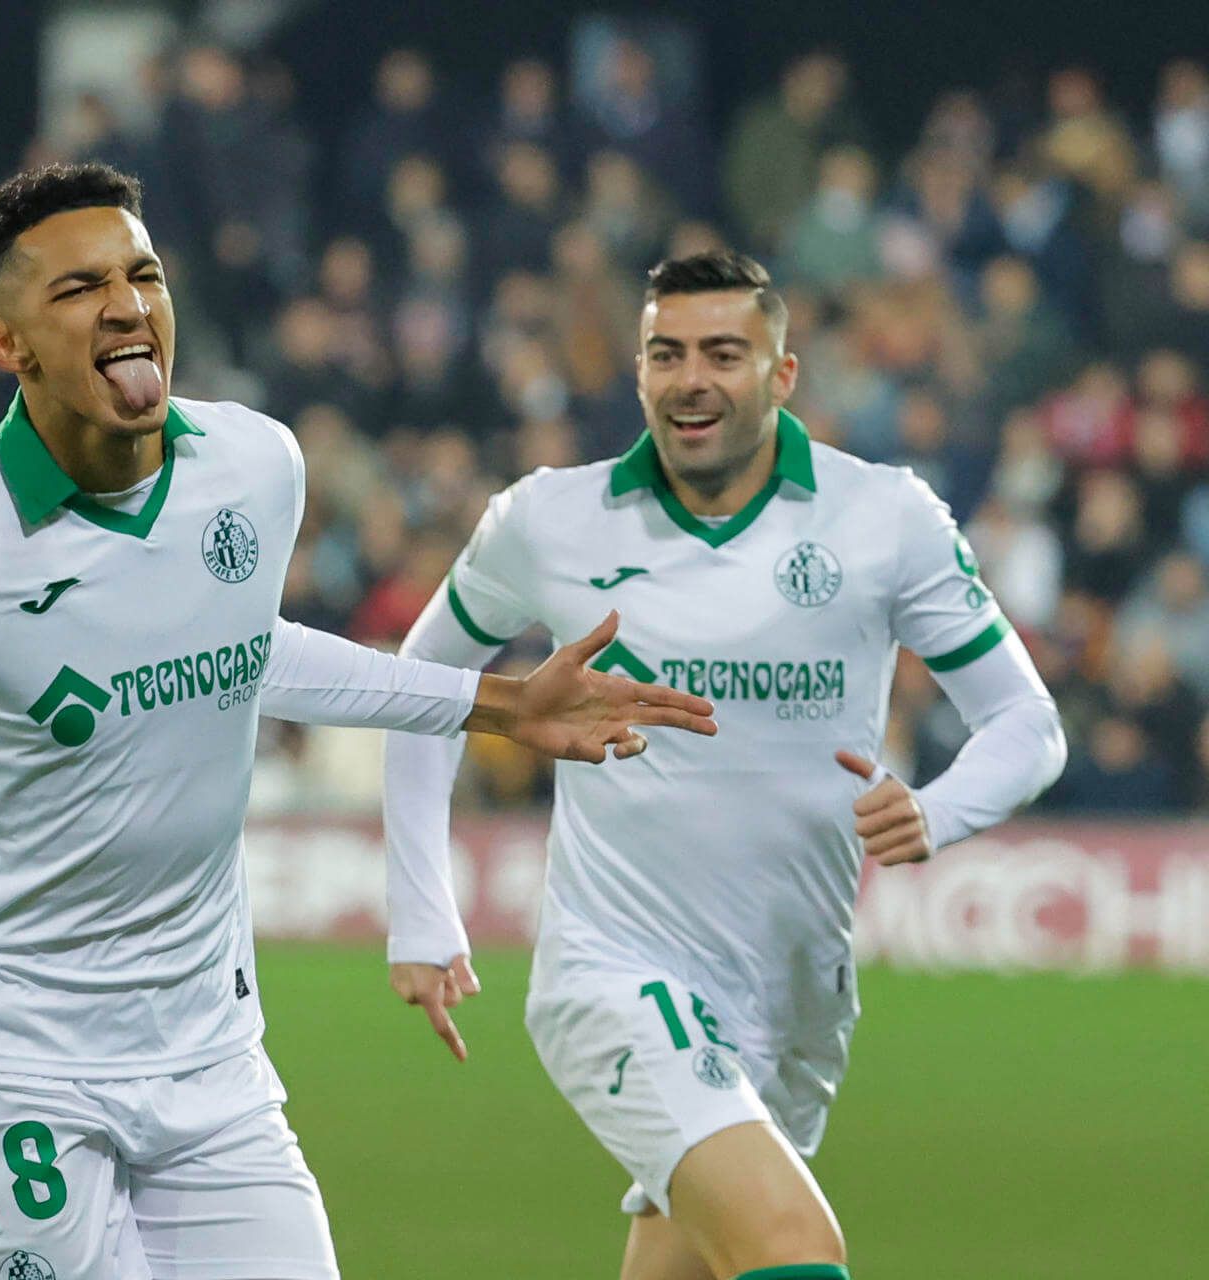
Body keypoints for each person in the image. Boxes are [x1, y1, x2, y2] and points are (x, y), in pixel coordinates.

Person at [0, 162, 718, 1280]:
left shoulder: (256, 467)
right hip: (6, 1046)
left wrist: (498, 701)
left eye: (140, 275)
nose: (125, 307)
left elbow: (235, 648)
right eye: (78, 287)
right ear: (5, 343)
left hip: (207, 1046)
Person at [382, 250, 1067, 1280]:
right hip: (619, 972)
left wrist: (940, 807)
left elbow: (1026, 720)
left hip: (797, 992)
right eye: (666, 353)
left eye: (722, 353)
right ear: (639, 369)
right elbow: (420, 690)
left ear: (782, 374)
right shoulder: (550, 520)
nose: (690, 377)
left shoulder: (883, 517)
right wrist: (423, 908)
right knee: (793, 1248)